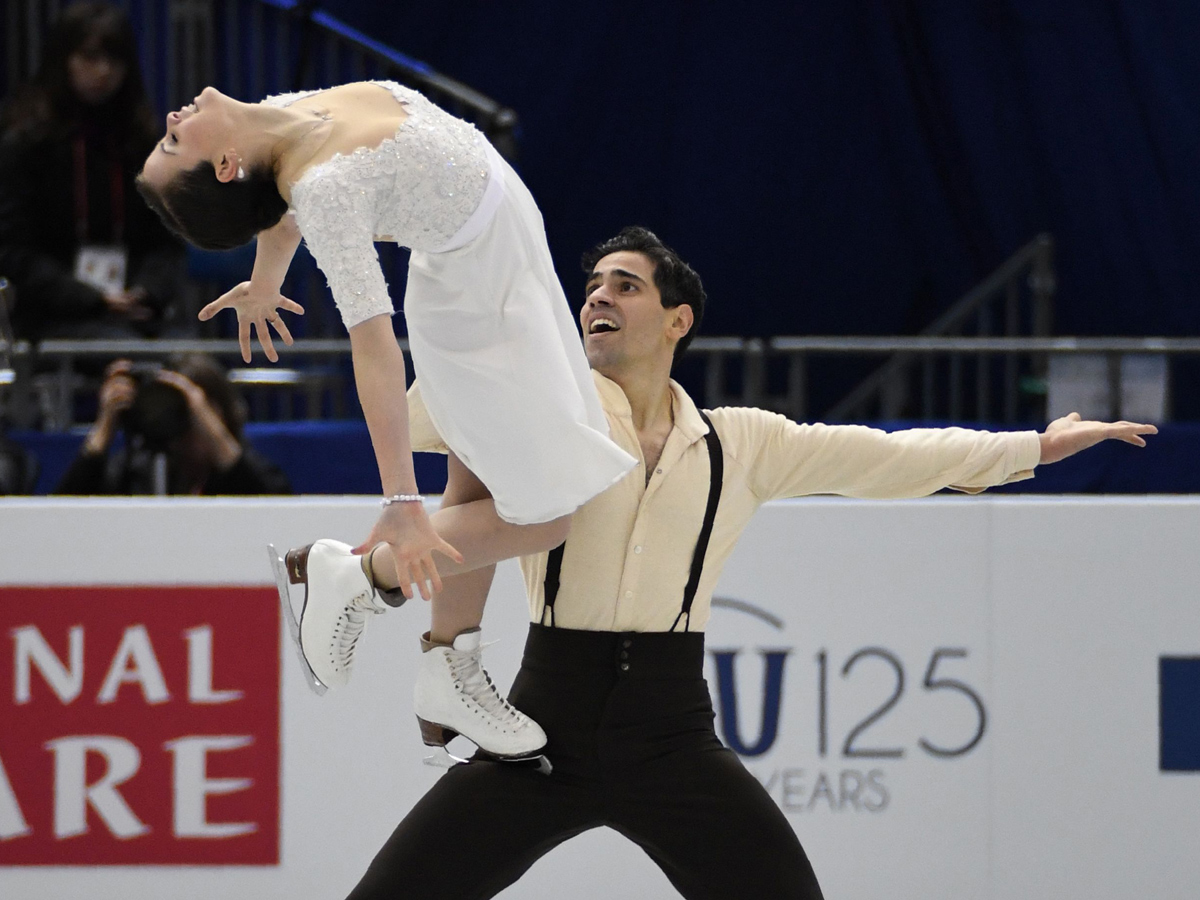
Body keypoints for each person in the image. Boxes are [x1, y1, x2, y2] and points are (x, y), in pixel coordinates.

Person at [330, 226, 1156, 900]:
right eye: (593, 286)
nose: (596, 298)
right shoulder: (552, 413)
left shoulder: (741, 441)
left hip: (670, 735)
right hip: (543, 725)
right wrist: (494, 368)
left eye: (624, 285)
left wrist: (1033, 447)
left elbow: (882, 457)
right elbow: (426, 420)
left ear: (677, 319)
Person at [135, 80, 637, 759]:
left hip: (498, 259)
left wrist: (266, 282)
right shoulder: (326, 188)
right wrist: (400, 500)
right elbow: (371, 344)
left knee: (480, 494)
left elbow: (273, 211)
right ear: (225, 162)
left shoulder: (280, 117)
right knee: (546, 516)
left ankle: (446, 673)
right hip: (477, 307)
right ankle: (355, 575)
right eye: (171, 141)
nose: (170, 118)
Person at [0, 1, 184, 340]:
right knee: (124, 349)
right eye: (90, 58)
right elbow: (13, 252)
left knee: (193, 359)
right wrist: (91, 299)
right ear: (63, 61)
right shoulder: (26, 145)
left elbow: (167, 243)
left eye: (114, 60)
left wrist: (146, 292)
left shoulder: (142, 144)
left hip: (134, 312)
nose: (103, 71)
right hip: (51, 316)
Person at [54, 353, 291, 495]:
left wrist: (204, 419)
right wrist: (103, 431)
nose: (189, 428)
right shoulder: (136, 471)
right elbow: (61, 523)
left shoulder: (253, 472)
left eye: (197, 414)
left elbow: (276, 516)